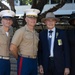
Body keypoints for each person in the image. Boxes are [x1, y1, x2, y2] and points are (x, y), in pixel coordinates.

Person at [10, 8, 40, 75]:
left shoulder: (36, 33)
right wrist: (18, 57)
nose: (33, 20)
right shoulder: (20, 31)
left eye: (34, 18)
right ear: (26, 19)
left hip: (34, 61)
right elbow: (12, 47)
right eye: (30, 18)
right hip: (24, 60)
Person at [0, 10, 15, 75]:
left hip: (8, 60)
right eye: (5, 19)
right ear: (2, 21)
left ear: (11, 21)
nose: (8, 21)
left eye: (9, 19)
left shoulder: (11, 31)